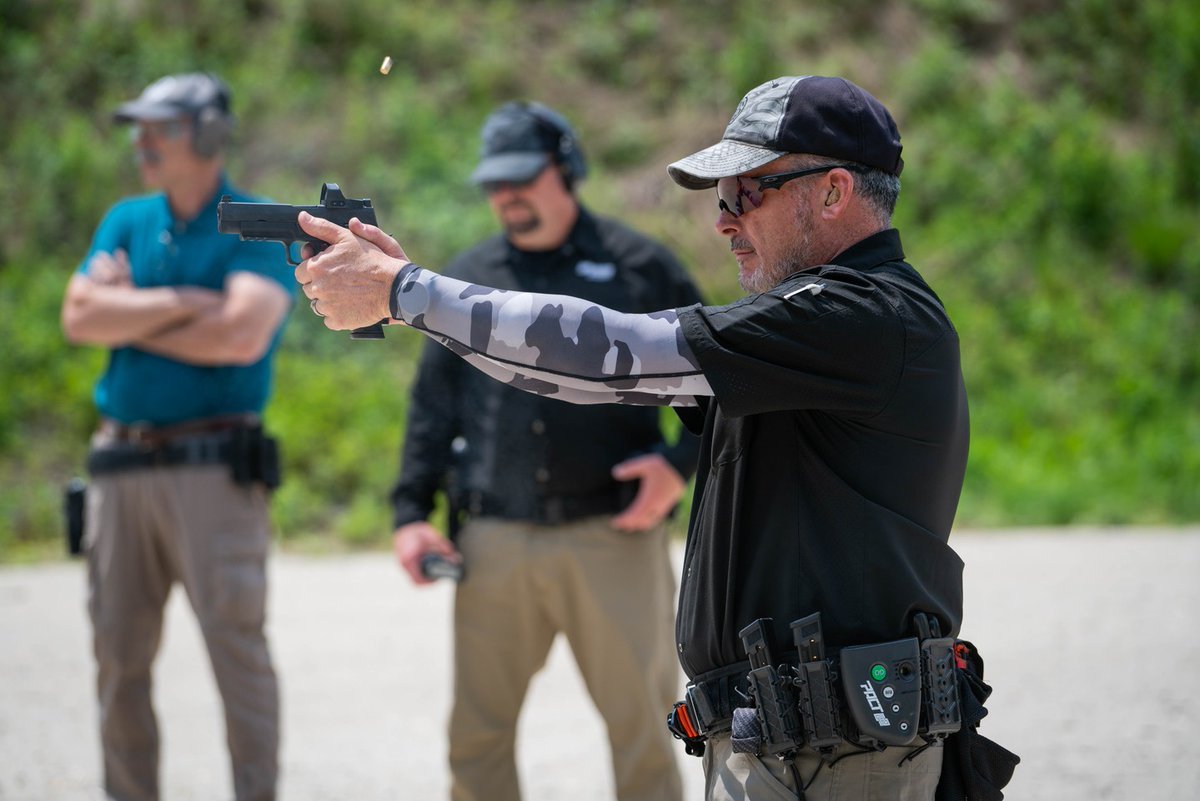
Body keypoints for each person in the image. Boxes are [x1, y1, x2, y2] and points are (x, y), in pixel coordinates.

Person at [295, 75, 1018, 801]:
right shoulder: (823, 320)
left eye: (748, 193)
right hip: (797, 747)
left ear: (832, 192)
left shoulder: (859, 315)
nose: (724, 220)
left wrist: (405, 292)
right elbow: (582, 370)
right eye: (720, 198)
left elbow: (609, 353)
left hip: (838, 760)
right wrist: (408, 301)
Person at [389, 101, 703, 801]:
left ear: (568, 169)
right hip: (493, 541)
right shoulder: (464, 278)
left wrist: (677, 469)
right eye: (495, 185)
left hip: (614, 535)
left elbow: (718, 395)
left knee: (647, 735)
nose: (507, 197)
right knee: (476, 738)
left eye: (522, 179)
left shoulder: (641, 268)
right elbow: (431, 408)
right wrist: (412, 510)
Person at [61, 72, 293, 801]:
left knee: (237, 654)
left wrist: (127, 306)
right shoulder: (126, 219)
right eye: (140, 129)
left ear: (208, 135)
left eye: (159, 129)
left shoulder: (255, 220)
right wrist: (185, 301)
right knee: (117, 660)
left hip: (212, 470)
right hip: (119, 465)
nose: (142, 144)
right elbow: (77, 318)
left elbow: (239, 335)